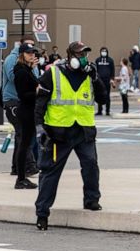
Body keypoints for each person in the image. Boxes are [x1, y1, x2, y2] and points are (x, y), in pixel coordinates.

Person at [34, 41, 106, 229]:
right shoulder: (53, 74)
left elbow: (103, 98)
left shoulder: (90, 75)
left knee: (91, 164)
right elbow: (40, 103)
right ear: (70, 56)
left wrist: (96, 78)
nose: (83, 59)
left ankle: (91, 200)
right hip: (59, 133)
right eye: (79, 55)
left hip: (84, 130)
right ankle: (42, 213)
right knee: (50, 172)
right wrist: (40, 129)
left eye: (85, 55)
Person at [12, 47, 40, 189]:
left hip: (28, 111)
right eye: (29, 53)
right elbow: (23, 94)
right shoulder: (21, 72)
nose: (32, 55)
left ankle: (21, 177)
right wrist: (37, 92)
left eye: (33, 53)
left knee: (25, 144)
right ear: (22, 54)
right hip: (26, 111)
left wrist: (32, 68)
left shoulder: (26, 69)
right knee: (24, 145)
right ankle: (21, 178)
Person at [95, 47, 115, 116]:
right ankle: (99, 110)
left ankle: (107, 110)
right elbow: (96, 70)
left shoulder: (110, 60)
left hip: (107, 81)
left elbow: (112, 70)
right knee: (99, 95)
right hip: (99, 81)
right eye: (102, 51)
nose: (104, 52)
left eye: (105, 51)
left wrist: (112, 79)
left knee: (107, 95)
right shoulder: (98, 60)